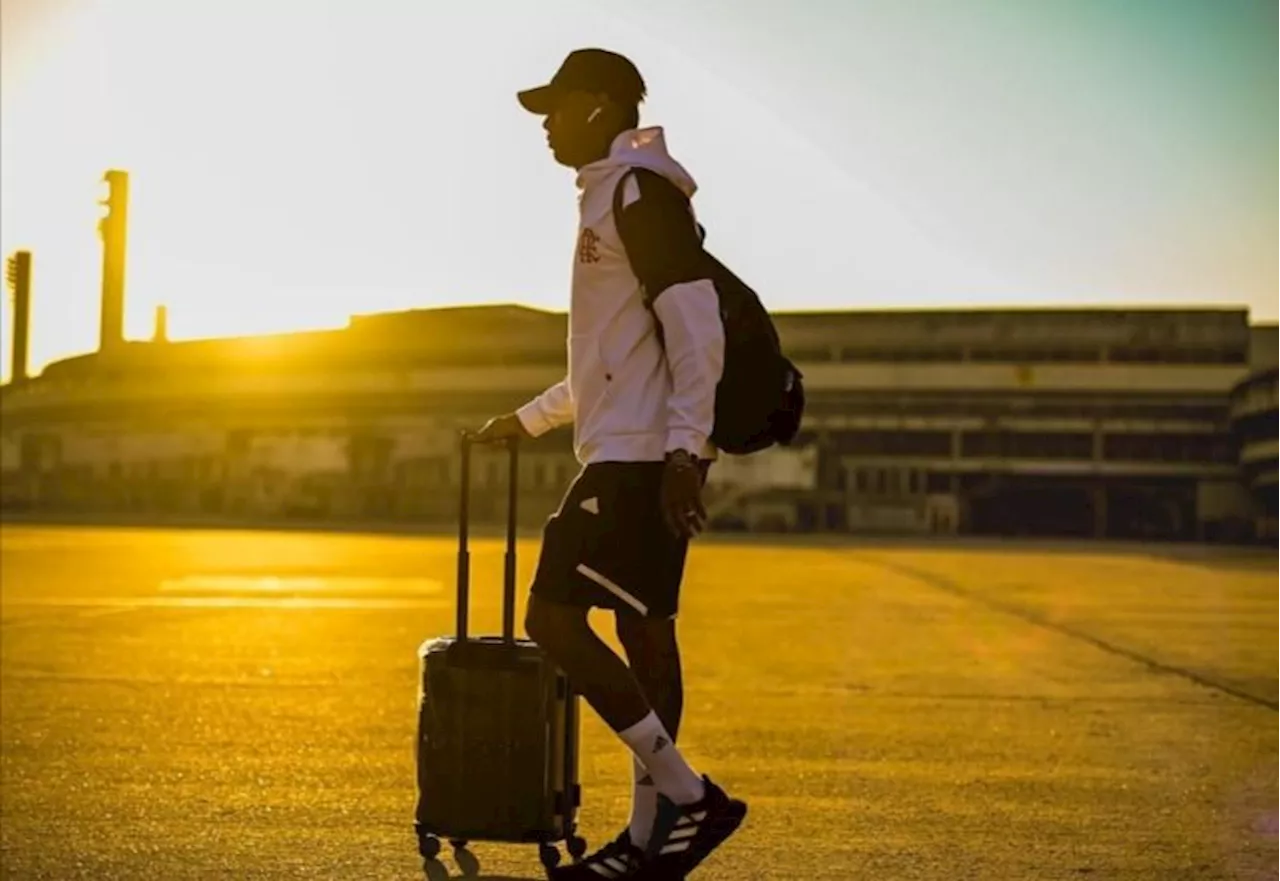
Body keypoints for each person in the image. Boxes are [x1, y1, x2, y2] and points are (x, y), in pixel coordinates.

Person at [474, 47, 747, 880]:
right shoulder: (615, 195)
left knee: (551, 620)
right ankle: (643, 839)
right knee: (645, 637)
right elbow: (608, 359)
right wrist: (529, 419)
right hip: (631, 446)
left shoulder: (636, 192)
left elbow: (696, 324)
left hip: (635, 461)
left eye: (555, 107)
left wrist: (684, 451)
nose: (547, 125)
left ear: (597, 104)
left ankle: (688, 796)